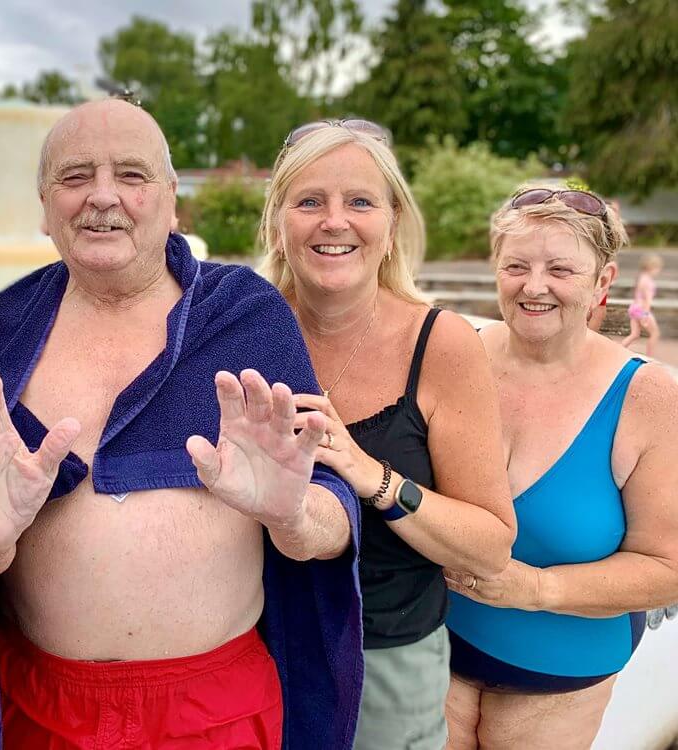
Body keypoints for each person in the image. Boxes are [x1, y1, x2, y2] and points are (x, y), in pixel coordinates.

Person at [0, 99, 363, 750]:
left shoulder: (246, 316)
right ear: (44, 207)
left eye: (131, 174)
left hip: (217, 712)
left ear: (171, 200)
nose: (102, 196)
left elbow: (334, 516)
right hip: (38, 709)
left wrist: (292, 516)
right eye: (74, 177)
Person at [256, 120, 517, 750]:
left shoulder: (443, 344)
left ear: (393, 223)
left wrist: (369, 474)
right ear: (277, 222)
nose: (334, 221)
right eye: (310, 201)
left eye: (361, 202)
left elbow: (490, 546)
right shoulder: (245, 330)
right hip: (252, 650)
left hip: (387, 665)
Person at [444, 186, 678, 749]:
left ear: (604, 280)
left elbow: (668, 567)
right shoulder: (454, 354)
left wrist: (533, 588)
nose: (534, 285)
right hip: (431, 651)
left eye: (560, 269)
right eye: (516, 266)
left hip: (559, 678)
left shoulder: (648, 396)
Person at [621, 253, 663, 357]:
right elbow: (647, 300)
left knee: (634, 334)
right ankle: (650, 357)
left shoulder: (641, 277)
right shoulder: (648, 282)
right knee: (655, 334)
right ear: (651, 267)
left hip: (634, 308)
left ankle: (619, 350)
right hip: (642, 310)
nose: (659, 271)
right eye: (658, 268)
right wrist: (645, 315)